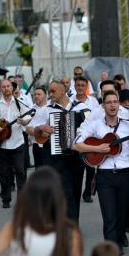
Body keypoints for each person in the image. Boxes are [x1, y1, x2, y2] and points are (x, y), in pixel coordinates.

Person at [73, 91, 129, 256]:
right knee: (109, 216)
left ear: (119, 104)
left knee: (122, 215)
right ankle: (112, 253)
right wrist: (96, 149)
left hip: (125, 174)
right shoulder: (95, 125)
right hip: (104, 176)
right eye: (108, 102)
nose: (112, 105)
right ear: (103, 106)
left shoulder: (128, 126)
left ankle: (118, 241)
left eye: (115, 102)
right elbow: (76, 145)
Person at [28, 81, 89, 222]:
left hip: (77, 157)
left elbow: (91, 129)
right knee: (65, 192)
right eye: (49, 91)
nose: (50, 94)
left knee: (76, 190)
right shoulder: (47, 110)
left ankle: (72, 222)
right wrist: (41, 128)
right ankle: (69, 226)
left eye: (53, 91)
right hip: (57, 158)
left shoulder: (81, 108)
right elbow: (29, 129)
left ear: (62, 91)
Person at [0, 79, 32, 209]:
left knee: (20, 172)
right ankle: (6, 199)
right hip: (2, 145)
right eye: (3, 87)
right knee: (4, 173)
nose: (6, 88)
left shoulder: (19, 104)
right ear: (0, 89)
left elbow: (29, 115)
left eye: (8, 86)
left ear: (12, 88)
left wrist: (24, 122)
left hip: (18, 143)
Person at [28, 87, 48, 169]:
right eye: (34, 94)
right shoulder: (31, 109)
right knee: (39, 171)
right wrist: (41, 133)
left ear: (45, 96)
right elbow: (28, 129)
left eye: (39, 94)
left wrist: (36, 131)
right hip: (36, 145)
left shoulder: (50, 108)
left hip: (48, 144)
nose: (36, 96)